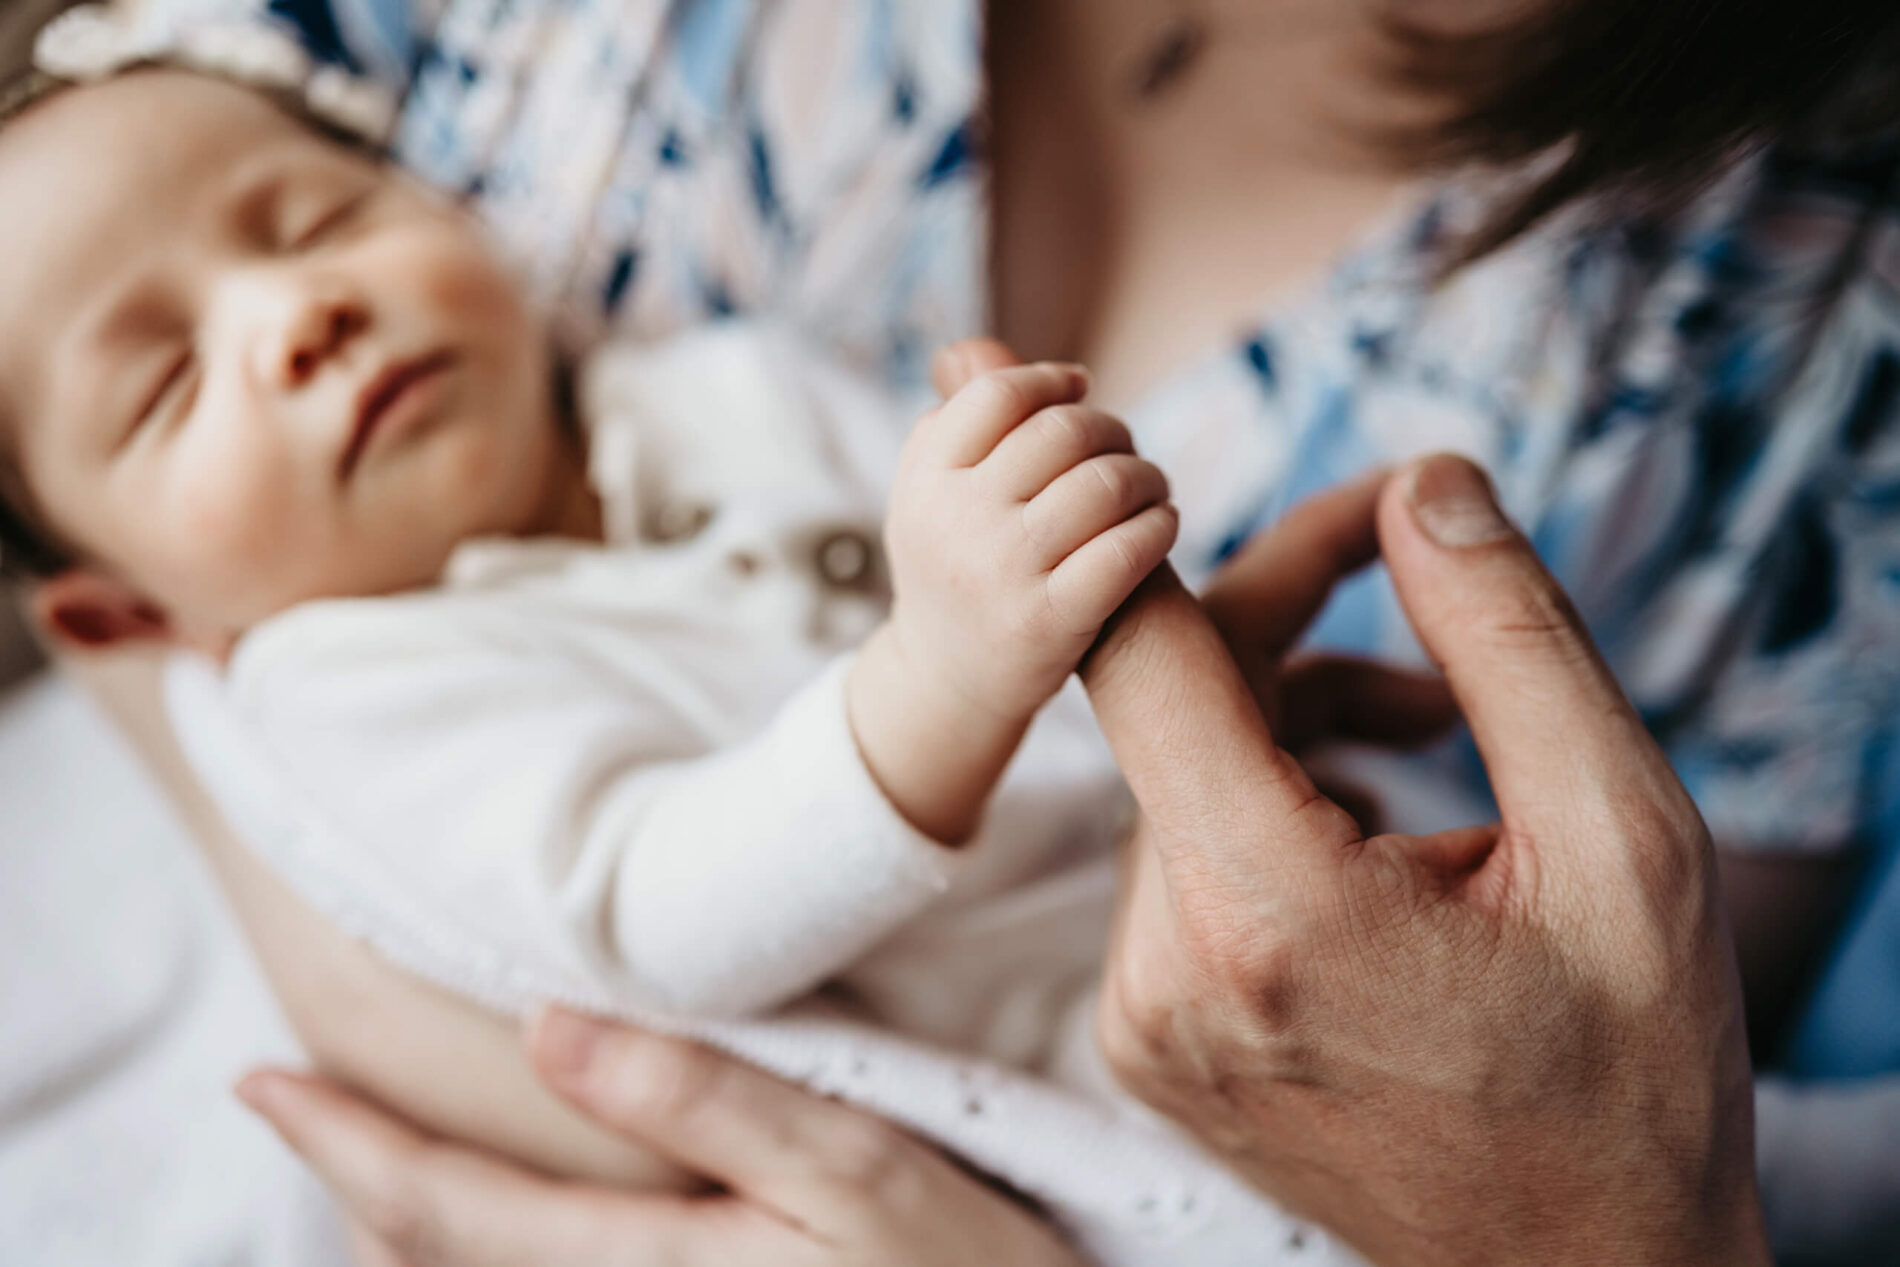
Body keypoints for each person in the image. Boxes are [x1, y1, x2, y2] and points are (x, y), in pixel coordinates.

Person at [35, 0, 1900, 1259]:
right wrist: (941, 675)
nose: (292, 319)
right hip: (1018, 1050)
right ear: (123, 606)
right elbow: (643, 912)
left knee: (1712, 1132)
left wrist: (1173, 670)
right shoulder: (350, 683)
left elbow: (1578, 1157)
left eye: (316, 217)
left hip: (1229, 920)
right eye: (160, 389)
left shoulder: (712, 387)